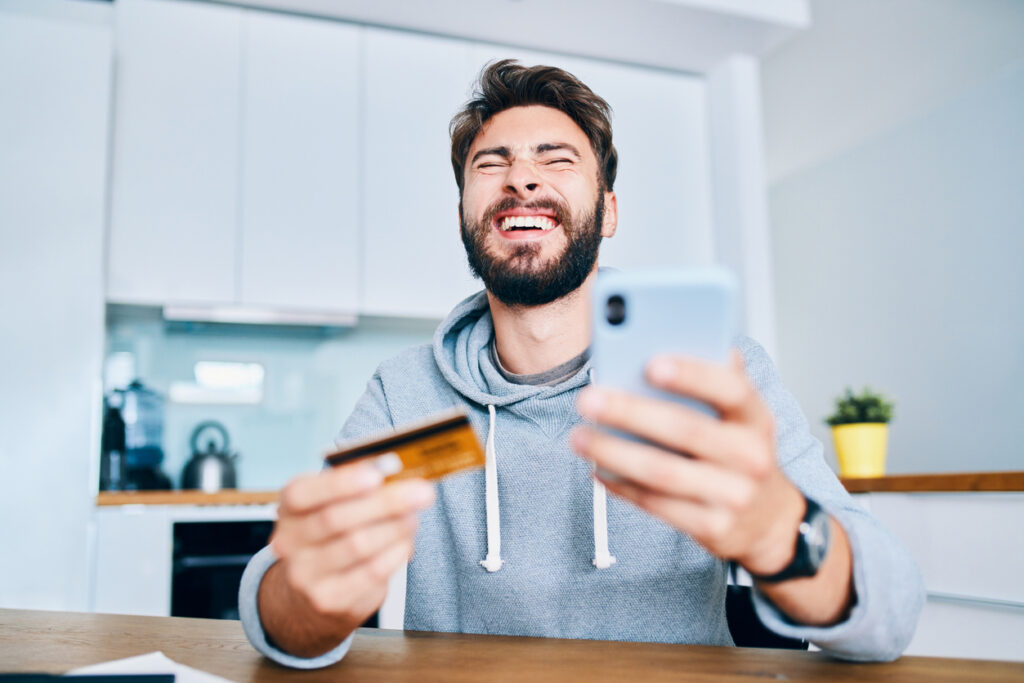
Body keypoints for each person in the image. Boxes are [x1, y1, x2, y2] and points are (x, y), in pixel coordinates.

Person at [239, 60, 924, 668]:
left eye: (555, 159)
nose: (523, 177)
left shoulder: (711, 376)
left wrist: (782, 531)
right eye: (492, 162)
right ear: (464, 217)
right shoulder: (410, 393)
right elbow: (276, 610)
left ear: (609, 212)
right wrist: (311, 595)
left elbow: (889, 613)